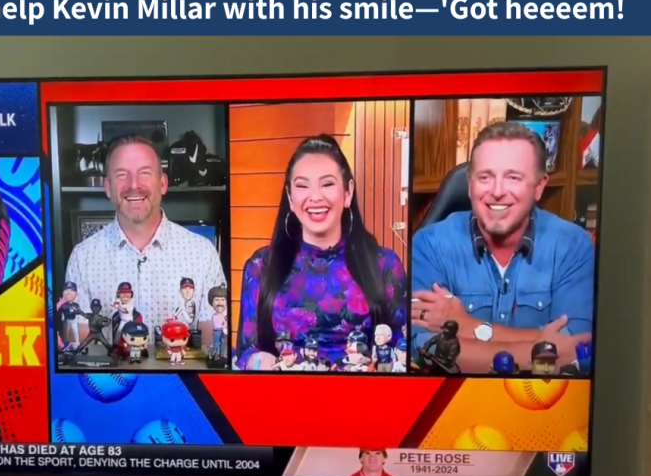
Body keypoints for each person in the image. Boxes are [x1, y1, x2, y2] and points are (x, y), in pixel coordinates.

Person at [411, 121, 595, 375]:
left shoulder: (573, 246)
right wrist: (540, 345)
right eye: (485, 177)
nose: (497, 191)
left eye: (513, 177)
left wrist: (469, 326)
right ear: (469, 183)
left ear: (539, 186)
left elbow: (578, 350)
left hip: (544, 404)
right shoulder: (429, 244)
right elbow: (426, 349)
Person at [236, 135, 407, 370]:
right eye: (303, 186)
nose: (315, 197)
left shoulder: (385, 265)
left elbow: (403, 350)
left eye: (327, 184)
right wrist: (259, 362)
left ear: (348, 193)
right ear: (290, 197)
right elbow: (245, 352)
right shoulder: (260, 266)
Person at [64, 136, 226, 352]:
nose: (134, 185)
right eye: (122, 174)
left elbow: (213, 347)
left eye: (145, 173)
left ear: (163, 184)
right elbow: (80, 349)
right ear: (107, 187)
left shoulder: (203, 253)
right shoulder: (82, 258)